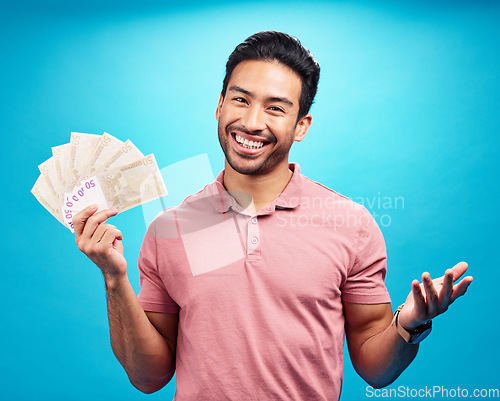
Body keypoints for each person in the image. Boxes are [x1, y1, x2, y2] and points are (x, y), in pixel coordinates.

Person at [73, 31, 473, 400]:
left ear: (301, 126)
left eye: (275, 108)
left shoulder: (349, 223)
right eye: (240, 99)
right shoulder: (173, 225)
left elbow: (375, 369)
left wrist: (413, 322)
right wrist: (114, 277)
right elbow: (149, 377)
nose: (251, 122)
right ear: (219, 105)